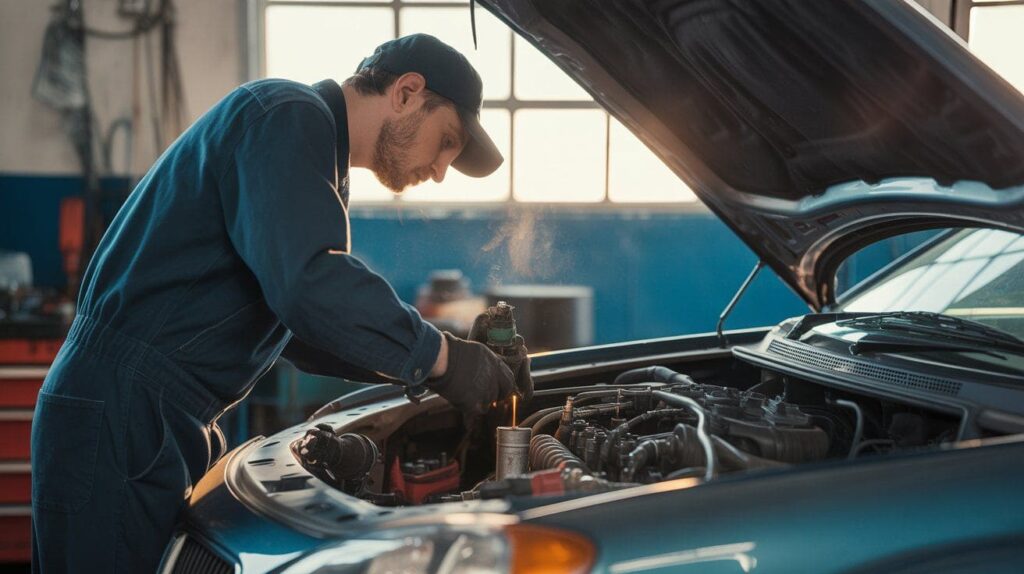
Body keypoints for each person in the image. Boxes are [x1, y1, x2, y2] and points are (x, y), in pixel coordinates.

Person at [30, 33, 532, 573]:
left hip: (149, 416)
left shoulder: (315, 157)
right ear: (407, 92)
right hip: (124, 410)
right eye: (447, 142)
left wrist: (438, 364)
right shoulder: (288, 115)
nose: (438, 171)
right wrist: (442, 358)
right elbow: (309, 285)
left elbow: (305, 328)